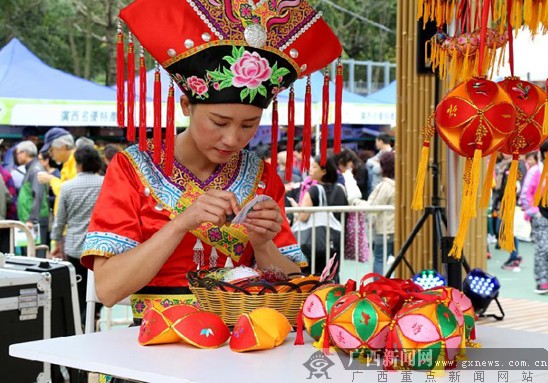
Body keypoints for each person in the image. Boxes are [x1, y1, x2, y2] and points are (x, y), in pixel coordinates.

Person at [81, 0, 342, 317]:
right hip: (157, 342)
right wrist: (180, 225)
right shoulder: (134, 168)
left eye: (249, 125)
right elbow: (108, 289)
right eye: (219, 122)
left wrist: (262, 244)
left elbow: (292, 285)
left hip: (246, 340)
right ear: (186, 105)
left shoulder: (260, 176)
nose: (233, 139)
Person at [51, 146, 105, 323]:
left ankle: (81, 320)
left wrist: (56, 242)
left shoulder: (67, 187)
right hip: (101, 247)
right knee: (101, 286)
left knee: (79, 287)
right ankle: (93, 315)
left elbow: (60, 219)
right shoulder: (106, 183)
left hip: (75, 247)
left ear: (78, 164)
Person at [294, 155, 348, 274]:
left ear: (324, 171)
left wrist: (295, 209)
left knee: (313, 277)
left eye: (314, 167)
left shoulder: (314, 190)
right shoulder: (341, 189)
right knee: (332, 275)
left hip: (315, 242)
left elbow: (303, 216)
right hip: (336, 240)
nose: (310, 169)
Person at [520, 140, 548, 293]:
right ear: (544, 153)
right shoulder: (536, 170)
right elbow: (525, 194)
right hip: (541, 215)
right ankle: (542, 281)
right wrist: (534, 212)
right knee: (543, 248)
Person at [364, 151, 395, 276]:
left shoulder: (385, 186)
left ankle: (378, 289)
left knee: (379, 259)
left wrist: (358, 203)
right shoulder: (403, 185)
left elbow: (373, 207)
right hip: (398, 229)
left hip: (384, 229)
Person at [15, 141, 49, 257]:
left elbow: (38, 195)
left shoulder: (35, 170)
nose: (17, 156)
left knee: (35, 257)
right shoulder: (32, 168)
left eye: (18, 153)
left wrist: (32, 220)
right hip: (30, 221)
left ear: (25, 153)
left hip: (34, 223)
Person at [37, 127, 78, 214]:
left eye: (52, 150)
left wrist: (51, 179)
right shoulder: (68, 163)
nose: (50, 154)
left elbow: (71, 193)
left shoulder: (77, 163)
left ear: (63, 147)